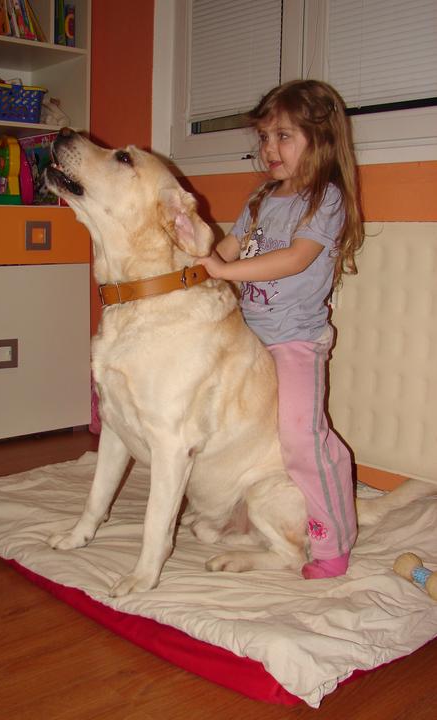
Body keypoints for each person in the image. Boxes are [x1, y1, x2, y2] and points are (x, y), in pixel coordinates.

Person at [200, 79, 364, 579]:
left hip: (294, 342)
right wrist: (196, 260)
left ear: (321, 140)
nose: (270, 148)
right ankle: (241, 513)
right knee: (238, 431)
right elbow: (227, 248)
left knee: (300, 438)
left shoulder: (326, 199)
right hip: (249, 339)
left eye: (284, 136)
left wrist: (224, 271)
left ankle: (333, 543)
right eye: (265, 137)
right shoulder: (262, 197)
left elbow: (295, 259)